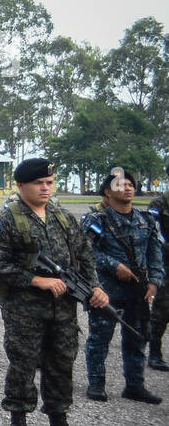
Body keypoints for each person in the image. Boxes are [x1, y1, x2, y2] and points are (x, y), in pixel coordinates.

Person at [0, 158, 105, 426]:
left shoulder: (63, 217)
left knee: (61, 364)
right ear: (21, 185)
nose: (45, 188)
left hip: (63, 308)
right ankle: (18, 425)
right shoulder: (8, 219)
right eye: (39, 183)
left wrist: (95, 286)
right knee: (23, 365)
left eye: (49, 183)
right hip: (24, 310)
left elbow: (85, 255)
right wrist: (37, 280)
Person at [81, 170, 163, 404]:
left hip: (138, 289)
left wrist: (154, 281)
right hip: (106, 288)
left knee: (137, 337)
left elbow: (155, 252)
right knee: (100, 338)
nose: (127, 188)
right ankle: (96, 383)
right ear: (108, 192)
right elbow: (85, 252)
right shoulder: (98, 220)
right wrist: (113, 265)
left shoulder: (145, 220)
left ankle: (135, 385)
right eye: (120, 185)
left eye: (130, 185)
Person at [145, 165, 169, 372]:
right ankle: (154, 354)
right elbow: (154, 233)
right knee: (161, 310)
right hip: (165, 264)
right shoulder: (159, 204)